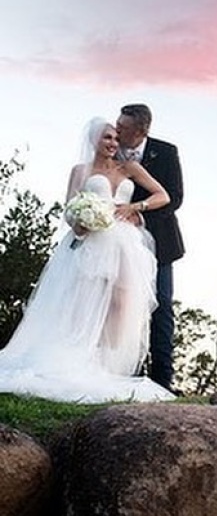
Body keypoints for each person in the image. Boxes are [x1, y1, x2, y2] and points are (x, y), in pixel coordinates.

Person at [0, 118, 176, 403]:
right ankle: (79, 358)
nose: (113, 143)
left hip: (124, 244)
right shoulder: (80, 170)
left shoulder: (128, 168)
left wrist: (134, 206)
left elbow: (163, 195)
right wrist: (80, 222)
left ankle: (107, 366)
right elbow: (70, 206)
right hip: (91, 241)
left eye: (116, 139)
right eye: (107, 138)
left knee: (121, 304)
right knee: (84, 301)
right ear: (94, 140)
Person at [115, 103, 184, 392]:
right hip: (117, 243)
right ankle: (125, 371)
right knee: (121, 306)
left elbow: (175, 198)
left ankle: (162, 381)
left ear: (141, 131)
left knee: (161, 306)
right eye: (116, 125)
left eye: (123, 128)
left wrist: (139, 214)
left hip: (158, 242)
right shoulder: (108, 149)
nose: (116, 131)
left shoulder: (166, 152)